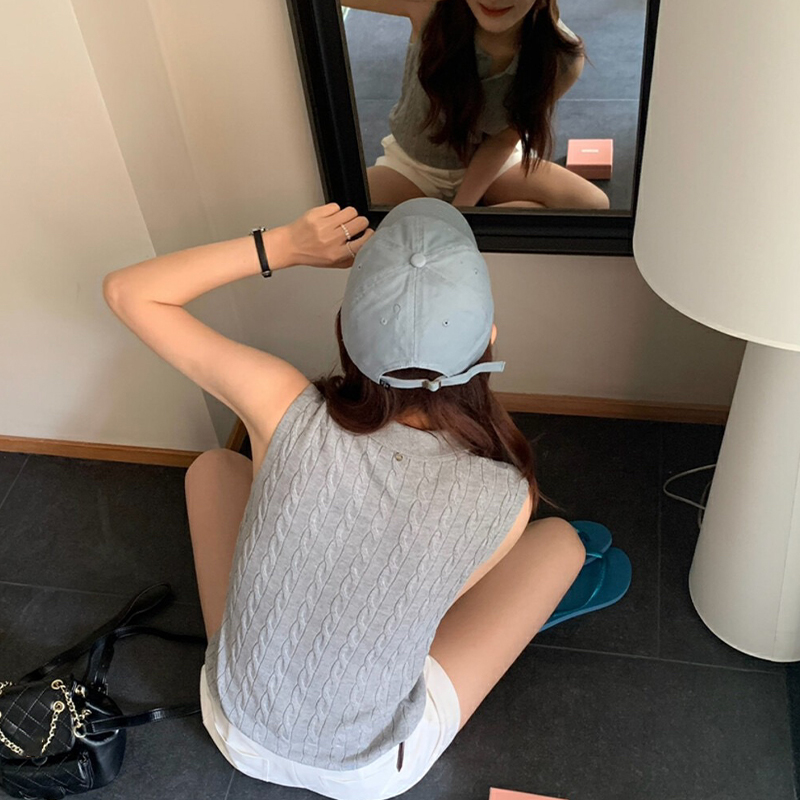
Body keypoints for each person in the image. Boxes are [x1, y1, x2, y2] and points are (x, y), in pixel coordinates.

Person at [103, 198, 585, 800]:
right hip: (369, 771)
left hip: (235, 730)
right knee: (562, 543)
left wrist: (281, 246)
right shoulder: (506, 495)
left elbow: (128, 292)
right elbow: (424, 611)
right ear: (489, 339)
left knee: (213, 467)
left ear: (345, 332)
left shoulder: (277, 402)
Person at [346, 0, 610, 209]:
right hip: (411, 165)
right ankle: (459, 221)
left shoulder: (561, 58)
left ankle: (438, 220)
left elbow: (503, 140)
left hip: (494, 167)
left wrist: (461, 210)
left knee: (592, 205)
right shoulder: (430, 7)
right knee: (342, 215)